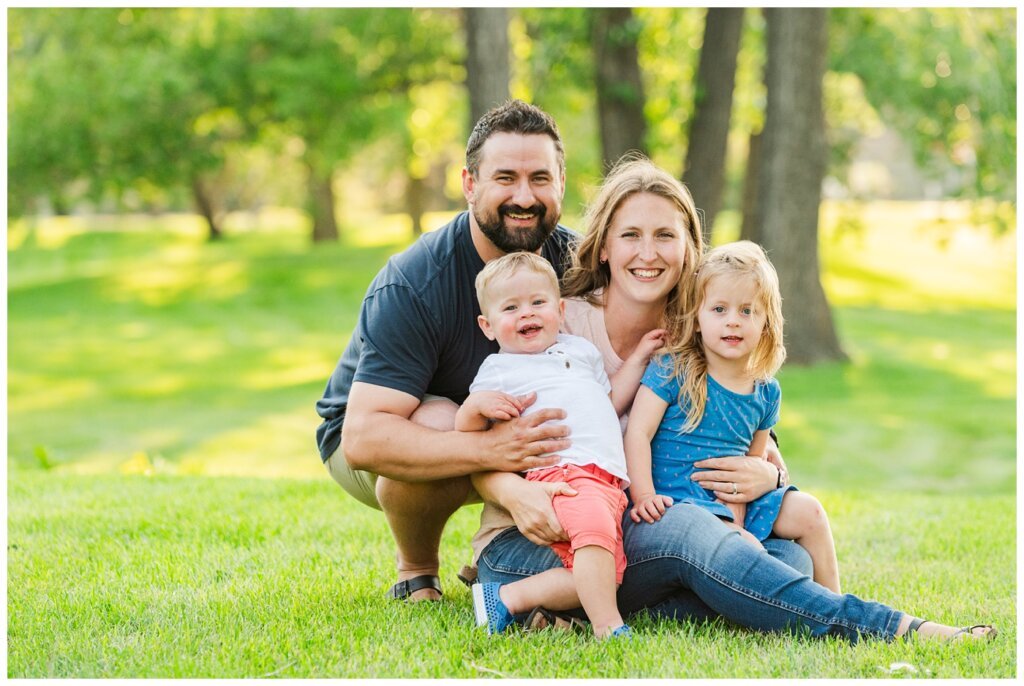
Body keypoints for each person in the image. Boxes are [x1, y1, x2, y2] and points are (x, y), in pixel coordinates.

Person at [471, 156, 996, 643]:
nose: (648, 253)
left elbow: (751, 434)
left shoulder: (704, 328)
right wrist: (514, 495)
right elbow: (475, 440)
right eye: (630, 235)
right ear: (603, 245)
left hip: (634, 537)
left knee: (789, 561)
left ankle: (589, 612)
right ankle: (898, 628)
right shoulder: (551, 324)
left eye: (664, 236)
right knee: (704, 536)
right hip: (541, 540)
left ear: (687, 250)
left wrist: (770, 476)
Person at [315, 100, 578, 602]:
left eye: (540, 179)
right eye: (505, 178)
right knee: (439, 418)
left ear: (561, 185)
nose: (524, 196)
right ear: (470, 184)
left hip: (509, 427)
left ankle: (511, 563)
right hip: (380, 434)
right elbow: (365, 438)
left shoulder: (583, 265)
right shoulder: (414, 281)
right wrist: (488, 451)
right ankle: (415, 567)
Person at [459, 252, 661, 639]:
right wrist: (473, 408)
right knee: (595, 546)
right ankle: (608, 627)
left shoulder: (579, 351)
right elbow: (468, 436)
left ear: (560, 308)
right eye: (511, 307)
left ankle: (504, 598)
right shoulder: (498, 369)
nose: (527, 314)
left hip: (606, 481)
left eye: (538, 302)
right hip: (564, 472)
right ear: (488, 325)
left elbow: (610, 402)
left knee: (606, 574)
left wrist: (638, 359)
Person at [626, 241, 841, 593]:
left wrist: (738, 500)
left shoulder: (766, 391)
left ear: (766, 324)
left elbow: (753, 459)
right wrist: (644, 495)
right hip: (682, 504)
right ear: (697, 318)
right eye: (720, 309)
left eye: (747, 311)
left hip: (735, 501)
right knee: (751, 552)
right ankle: (785, 599)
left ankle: (833, 600)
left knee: (810, 512)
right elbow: (637, 433)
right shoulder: (672, 370)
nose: (732, 322)